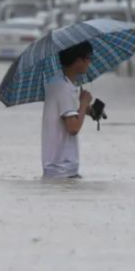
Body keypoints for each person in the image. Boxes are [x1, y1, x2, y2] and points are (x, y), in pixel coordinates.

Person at [42, 41, 93, 179]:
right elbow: (73, 128)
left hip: (55, 167)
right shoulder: (65, 89)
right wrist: (83, 104)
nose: (90, 62)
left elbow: (65, 113)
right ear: (78, 61)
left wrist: (87, 109)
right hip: (62, 170)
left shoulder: (57, 82)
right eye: (89, 58)